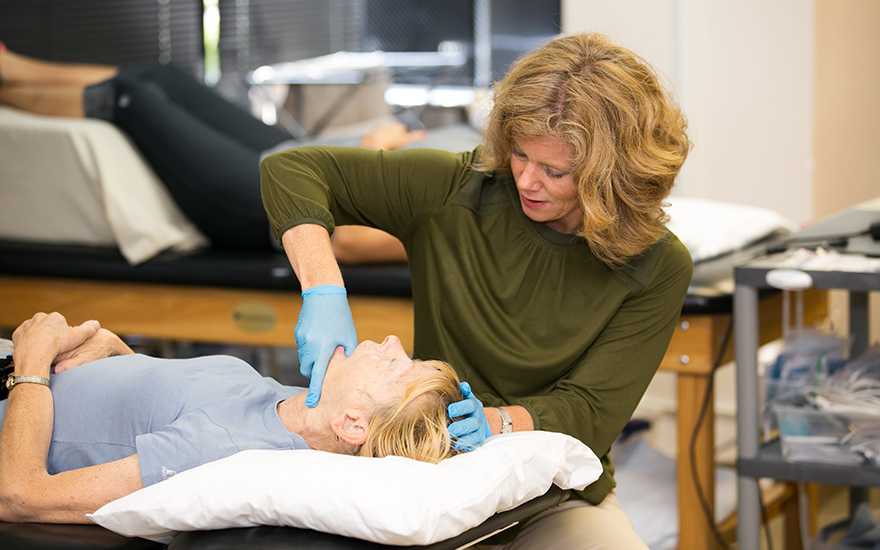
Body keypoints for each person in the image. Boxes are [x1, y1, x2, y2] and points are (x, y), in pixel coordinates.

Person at [260, 32, 693, 549]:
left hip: (552, 492)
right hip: (432, 475)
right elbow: (291, 170)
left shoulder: (656, 265)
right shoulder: (458, 192)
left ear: (613, 176)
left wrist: (499, 422)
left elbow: (590, 416)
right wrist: (322, 289)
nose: (528, 181)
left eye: (555, 171)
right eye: (519, 154)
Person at [0, 312, 463, 524]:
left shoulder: (223, 451)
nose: (390, 342)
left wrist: (33, 362)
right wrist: (116, 353)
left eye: (393, 366)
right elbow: (151, 412)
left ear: (353, 425)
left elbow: (20, 495)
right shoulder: (291, 405)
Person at [0, 42, 437, 253]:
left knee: (127, 97)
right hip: (302, 158)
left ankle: (7, 77)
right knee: (166, 77)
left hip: (271, 203)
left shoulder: (474, 229)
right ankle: (16, 66)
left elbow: (350, 242)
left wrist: (370, 157)